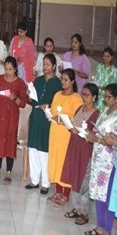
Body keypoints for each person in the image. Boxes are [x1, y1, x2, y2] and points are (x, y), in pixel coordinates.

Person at [85, 84, 117, 235]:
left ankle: (107, 230)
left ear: (116, 99)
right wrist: (91, 134)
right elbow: (98, 131)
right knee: (98, 192)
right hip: (98, 156)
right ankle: (99, 226)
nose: (105, 99)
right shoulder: (104, 112)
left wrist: (96, 138)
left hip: (110, 160)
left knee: (108, 194)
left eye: (108, 97)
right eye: (105, 96)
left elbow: (114, 140)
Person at [61, 83, 99, 224]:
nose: (84, 97)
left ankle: (84, 212)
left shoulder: (96, 114)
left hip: (86, 150)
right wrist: (70, 127)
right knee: (74, 177)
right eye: (83, 94)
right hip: (74, 146)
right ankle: (76, 208)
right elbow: (74, 125)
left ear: (94, 97)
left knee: (83, 181)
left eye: (87, 95)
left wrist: (82, 132)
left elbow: (95, 134)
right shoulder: (80, 109)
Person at [47, 69, 84, 205]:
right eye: (62, 79)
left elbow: (79, 118)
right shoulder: (57, 95)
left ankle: (66, 194)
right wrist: (48, 113)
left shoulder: (76, 98)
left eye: (66, 80)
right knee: (56, 161)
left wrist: (65, 119)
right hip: (55, 133)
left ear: (72, 81)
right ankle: (57, 192)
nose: (63, 82)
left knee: (65, 163)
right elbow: (52, 112)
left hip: (67, 135)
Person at [26, 54, 62, 193]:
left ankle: (45, 183)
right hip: (35, 116)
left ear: (54, 66)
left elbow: (59, 104)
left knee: (44, 150)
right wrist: (29, 95)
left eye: (48, 64)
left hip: (47, 119)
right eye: (44, 64)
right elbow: (32, 100)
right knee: (33, 148)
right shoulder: (38, 80)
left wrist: (49, 105)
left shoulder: (58, 83)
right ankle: (34, 180)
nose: (45, 67)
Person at [0, 57, 27, 184]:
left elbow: (23, 103)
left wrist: (15, 98)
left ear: (15, 69)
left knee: (10, 143)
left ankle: (9, 173)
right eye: (6, 69)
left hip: (11, 118)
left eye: (10, 69)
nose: (8, 72)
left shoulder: (20, 83)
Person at [94, 47, 117, 112]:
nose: (105, 58)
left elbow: (115, 87)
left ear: (112, 57)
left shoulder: (114, 70)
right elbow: (96, 79)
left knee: (105, 114)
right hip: (98, 96)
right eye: (104, 56)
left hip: (107, 98)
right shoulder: (99, 67)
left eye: (108, 56)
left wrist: (106, 88)